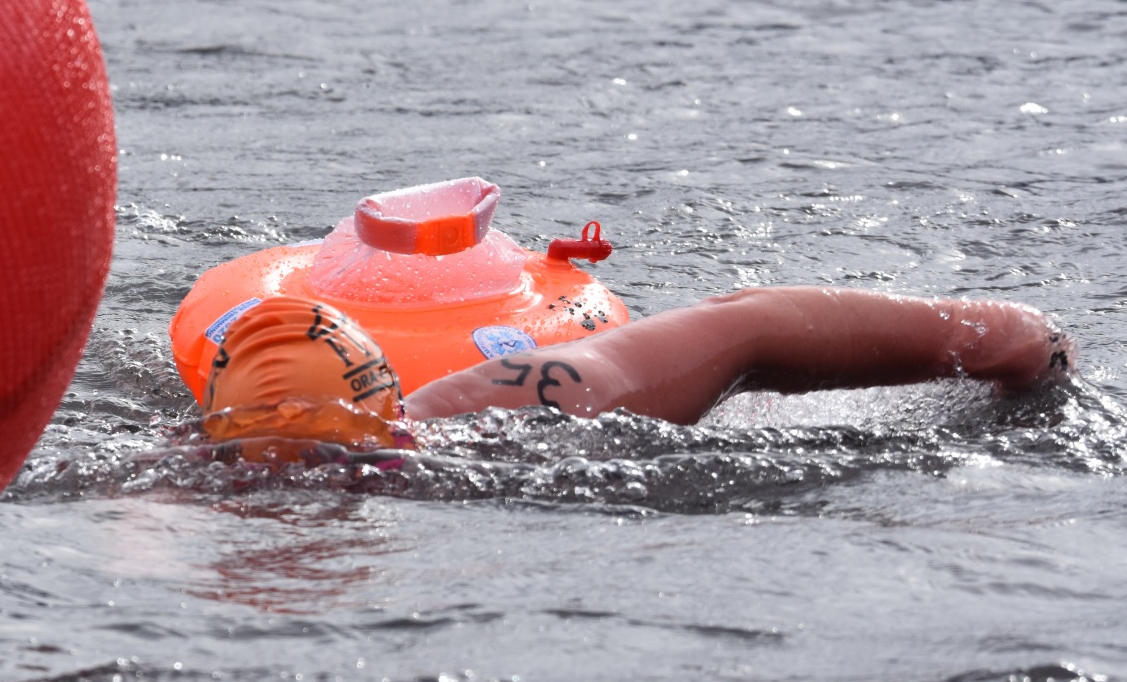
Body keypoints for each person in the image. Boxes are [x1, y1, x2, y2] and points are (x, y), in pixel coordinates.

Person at [199, 290, 1076, 448]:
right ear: (393, 408)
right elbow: (750, 325)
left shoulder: (163, 492)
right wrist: (1024, 341)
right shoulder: (525, 404)